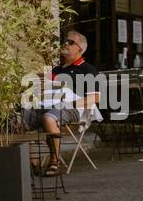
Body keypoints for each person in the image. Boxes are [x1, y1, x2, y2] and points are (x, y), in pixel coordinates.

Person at [28, 30, 100, 175]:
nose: (65, 43)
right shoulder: (56, 69)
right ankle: (32, 163)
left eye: (71, 42)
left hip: (70, 108)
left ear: (80, 49)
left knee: (49, 118)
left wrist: (72, 104)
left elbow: (95, 98)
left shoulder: (88, 70)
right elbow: (43, 88)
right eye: (65, 41)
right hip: (46, 104)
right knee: (22, 117)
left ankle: (54, 160)